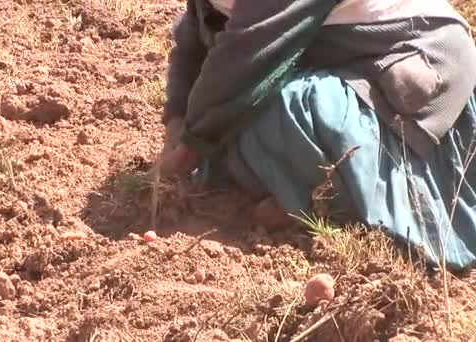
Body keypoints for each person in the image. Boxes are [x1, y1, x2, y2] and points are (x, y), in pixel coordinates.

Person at [158, 0, 476, 271]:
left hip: (409, 68)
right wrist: (177, 120)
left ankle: (325, 200)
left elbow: (248, 49)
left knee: (267, 114)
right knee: (236, 120)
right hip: (337, 61)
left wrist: (188, 148)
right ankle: (303, 191)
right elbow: (196, 30)